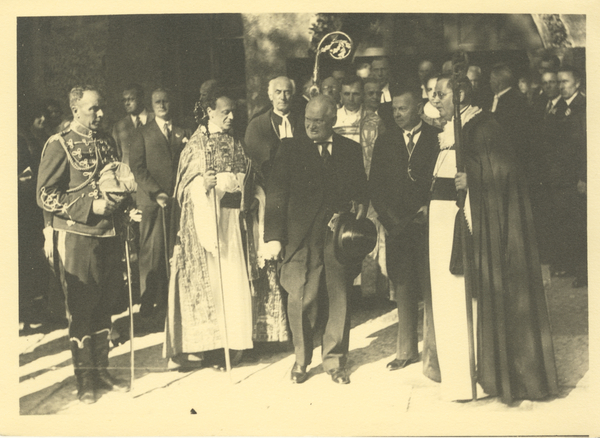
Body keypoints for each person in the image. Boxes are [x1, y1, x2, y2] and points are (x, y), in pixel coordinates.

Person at [430, 73, 558, 403]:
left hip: (478, 229)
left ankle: (494, 372)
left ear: (458, 95)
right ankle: (461, 372)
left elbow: (504, 172)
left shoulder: (483, 126)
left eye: (440, 94)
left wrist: (470, 178)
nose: (434, 100)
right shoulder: (451, 130)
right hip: (447, 230)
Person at [263, 94, 368, 385]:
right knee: (300, 299)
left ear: (333, 120)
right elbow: (276, 195)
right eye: (308, 120)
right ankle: (301, 359)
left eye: (318, 121)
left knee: (339, 298)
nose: (311, 126)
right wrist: (273, 237)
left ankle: (335, 360)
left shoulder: (350, 149)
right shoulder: (289, 148)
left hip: (337, 237)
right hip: (299, 238)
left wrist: (360, 205)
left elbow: (360, 188)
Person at [37, 86, 128, 403]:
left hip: (108, 236)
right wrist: (90, 208)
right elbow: (46, 195)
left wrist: (127, 208)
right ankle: (85, 379)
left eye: (101, 108)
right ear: (76, 110)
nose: (101, 114)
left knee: (105, 306)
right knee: (81, 308)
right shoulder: (59, 144)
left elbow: (116, 184)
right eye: (94, 109)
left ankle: (102, 371)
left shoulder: (106, 142)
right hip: (77, 238)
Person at [164, 93, 254, 369]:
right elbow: (183, 190)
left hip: (232, 222)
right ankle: (213, 347)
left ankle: (235, 342)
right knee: (215, 284)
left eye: (233, 112)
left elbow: (247, 174)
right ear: (209, 112)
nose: (231, 117)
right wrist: (203, 185)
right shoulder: (195, 146)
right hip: (208, 225)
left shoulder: (236, 142)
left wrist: (242, 184)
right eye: (225, 112)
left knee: (233, 280)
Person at [369, 83, 440, 379]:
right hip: (398, 228)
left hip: (429, 226)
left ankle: (434, 353)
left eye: (403, 108)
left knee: (433, 289)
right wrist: (392, 221)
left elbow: (443, 180)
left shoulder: (437, 139)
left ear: (418, 108)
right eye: (394, 109)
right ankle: (405, 351)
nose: (397, 114)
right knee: (404, 289)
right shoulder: (385, 142)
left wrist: (431, 209)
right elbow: (375, 186)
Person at [130, 88, 191, 319]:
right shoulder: (142, 133)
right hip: (152, 202)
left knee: (174, 248)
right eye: (157, 102)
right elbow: (138, 168)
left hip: (179, 200)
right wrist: (157, 193)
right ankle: (148, 304)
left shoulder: (183, 130)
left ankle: (172, 301)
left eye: (165, 101)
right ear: (151, 104)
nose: (162, 105)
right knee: (152, 252)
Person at [244, 76, 300, 182]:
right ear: (271, 96)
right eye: (278, 92)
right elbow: (253, 163)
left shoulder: (303, 122)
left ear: (292, 96)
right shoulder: (257, 125)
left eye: (287, 92)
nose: (282, 97)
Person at [112, 83, 154, 166]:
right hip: (129, 175)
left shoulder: (156, 119)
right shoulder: (119, 127)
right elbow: (117, 155)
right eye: (124, 100)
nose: (127, 103)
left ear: (141, 99)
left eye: (131, 99)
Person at [333, 75, 364, 143]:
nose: (351, 99)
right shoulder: (332, 117)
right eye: (347, 94)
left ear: (362, 94)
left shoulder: (371, 118)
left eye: (355, 94)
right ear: (341, 95)